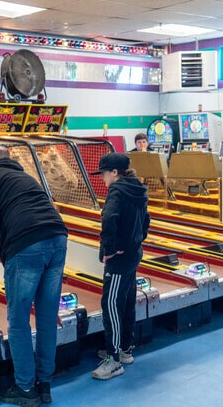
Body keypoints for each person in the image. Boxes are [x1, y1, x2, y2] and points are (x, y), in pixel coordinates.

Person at [0, 145, 68, 406]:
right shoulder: (27, 177)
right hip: (57, 239)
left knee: (18, 320)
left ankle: (26, 388)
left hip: (27, 248)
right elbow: (17, 216)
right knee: (47, 319)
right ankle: (44, 384)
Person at [90, 152, 150, 380]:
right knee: (125, 302)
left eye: (103, 174)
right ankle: (124, 349)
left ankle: (113, 360)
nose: (102, 179)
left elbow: (109, 219)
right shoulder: (137, 189)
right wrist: (136, 241)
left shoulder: (117, 190)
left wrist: (110, 249)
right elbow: (146, 220)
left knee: (111, 305)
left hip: (119, 259)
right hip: (133, 254)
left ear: (114, 172)